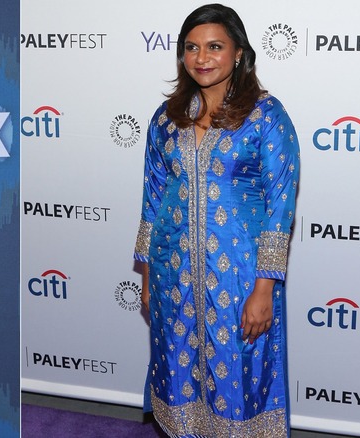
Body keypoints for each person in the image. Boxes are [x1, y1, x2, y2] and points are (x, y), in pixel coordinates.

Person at [134, 4, 299, 437]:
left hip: (240, 277)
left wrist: (265, 287)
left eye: (214, 47)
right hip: (173, 273)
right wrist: (148, 275)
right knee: (178, 372)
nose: (202, 58)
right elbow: (152, 200)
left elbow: (281, 206)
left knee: (239, 378)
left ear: (239, 53)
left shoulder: (265, 116)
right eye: (191, 48)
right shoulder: (166, 118)